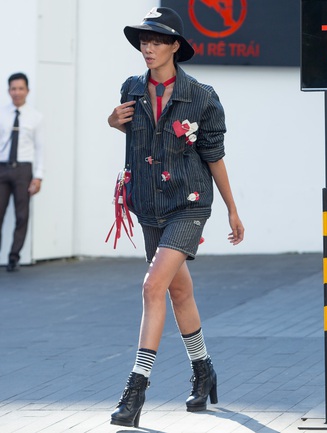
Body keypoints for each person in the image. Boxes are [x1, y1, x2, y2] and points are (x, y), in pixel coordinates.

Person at [107, 7, 244, 428]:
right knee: (178, 292)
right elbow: (130, 134)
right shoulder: (131, 88)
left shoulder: (202, 96)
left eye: (156, 41)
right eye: (143, 41)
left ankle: (136, 389)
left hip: (189, 203)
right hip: (148, 203)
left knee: (152, 286)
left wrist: (232, 208)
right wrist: (112, 121)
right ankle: (204, 371)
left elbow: (213, 156)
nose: (147, 48)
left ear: (174, 47)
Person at [0, 73, 45, 272]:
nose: (17, 92)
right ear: (9, 91)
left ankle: (13, 257)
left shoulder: (36, 117)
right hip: (2, 168)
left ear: (27, 90)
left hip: (23, 170)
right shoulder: (2, 114)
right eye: (13, 88)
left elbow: (40, 148)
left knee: (21, 215)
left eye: (20, 88)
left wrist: (38, 176)